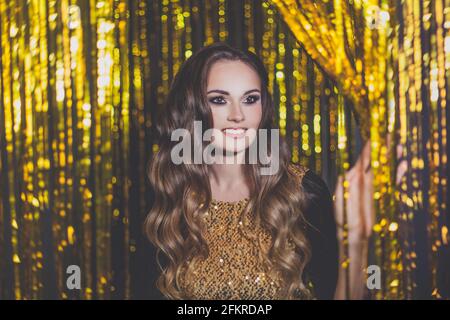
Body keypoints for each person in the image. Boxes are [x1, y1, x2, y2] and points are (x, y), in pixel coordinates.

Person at [145, 42, 338, 300]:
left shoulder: (302, 191)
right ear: (192, 107)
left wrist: (358, 240)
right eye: (219, 100)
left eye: (250, 99)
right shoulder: (171, 195)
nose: (238, 115)